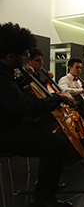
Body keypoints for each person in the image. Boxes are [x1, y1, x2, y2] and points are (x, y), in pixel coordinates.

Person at [0, 22, 74, 207]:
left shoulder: (8, 73)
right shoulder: (2, 78)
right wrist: (57, 98)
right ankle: (43, 198)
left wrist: (23, 76)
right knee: (55, 144)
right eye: (24, 55)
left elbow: (17, 99)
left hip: (10, 122)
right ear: (10, 56)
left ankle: (48, 182)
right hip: (3, 132)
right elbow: (26, 107)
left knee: (42, 128)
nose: (26, 59)